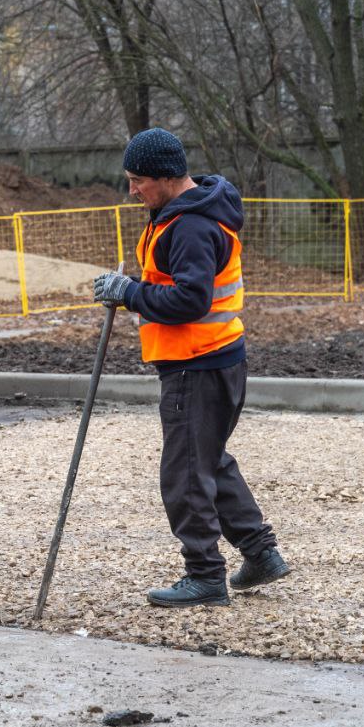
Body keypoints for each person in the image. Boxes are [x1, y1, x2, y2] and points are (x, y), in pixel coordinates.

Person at [93, 128, 290, 607]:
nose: (132, 190)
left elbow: (190, 299)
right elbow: (176, 282)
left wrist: (129, 292)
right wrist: (134, 286)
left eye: (138, 180)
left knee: (184, 473)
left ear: (165, 177)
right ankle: (260, 553)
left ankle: (204, 576)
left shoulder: (190, 225)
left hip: (196, 364)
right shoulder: (186, 214)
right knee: (207, 461)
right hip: (214, 359)